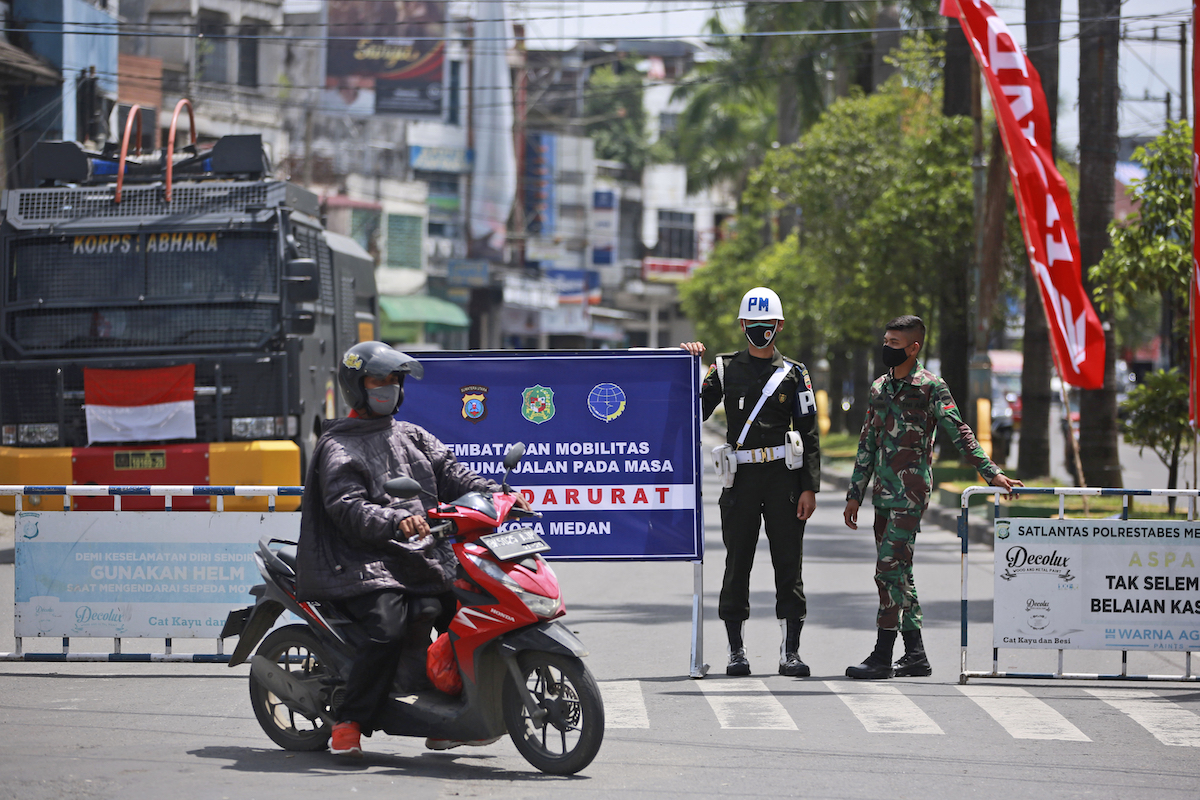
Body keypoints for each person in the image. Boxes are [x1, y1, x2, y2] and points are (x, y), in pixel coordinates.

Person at [295, 341, 521, 757]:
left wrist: (497, 495)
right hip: (364, 562)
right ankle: (350, 719)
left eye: (394, 381)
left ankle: (451, 711)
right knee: (388, 630)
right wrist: (395, 520)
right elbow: (348, 507)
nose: (388, 388)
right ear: (357, 387)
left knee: (472, 611)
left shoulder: (411, 434)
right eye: (378, 380)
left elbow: (453, 472)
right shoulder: (337, 446)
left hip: (422, 553)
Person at [842, 315, 1022, 680]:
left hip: (911, 494)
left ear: (914, 347)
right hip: (882, 495)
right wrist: (854, 494)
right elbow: (867, 443)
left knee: (887, 571)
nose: (887, 347)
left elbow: (960, 433)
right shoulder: (879, 388)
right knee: (901, 574)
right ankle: (916, 656)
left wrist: (991, 473)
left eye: (894, 343)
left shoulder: (930, 387)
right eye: (886, 340)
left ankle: (881, 655)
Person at [681, 287, 821, 677]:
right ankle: (736, 652)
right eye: (753, 325)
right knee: (736, 562)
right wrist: (686, 362)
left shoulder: (795, 373)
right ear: (742, 324)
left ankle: (789, 653)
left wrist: (810, 486)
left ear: (779, 326)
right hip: (740, 479)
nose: (760, 331)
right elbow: (693, 410)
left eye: (768, 325)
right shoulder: (724, 369)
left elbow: (808, 431)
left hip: (784, 479)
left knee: (788, 566)